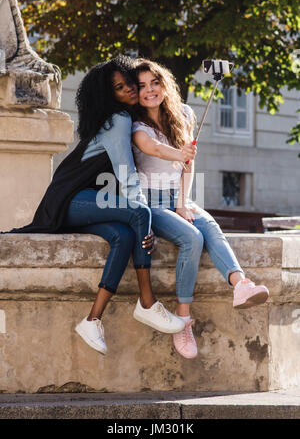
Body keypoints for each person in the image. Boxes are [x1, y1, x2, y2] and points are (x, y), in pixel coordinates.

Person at [1, 56, 188, 354]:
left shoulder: (123, 119)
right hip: (71, 198)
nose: (127, 89)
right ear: (107, 94)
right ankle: (148, 302)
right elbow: (126, 176)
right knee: (140, 213)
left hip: (88, 199)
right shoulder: (119, 120)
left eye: (128, 83)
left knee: (124, 236)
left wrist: (140, 225)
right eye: (118, 87)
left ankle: (91, 320)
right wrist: (145, 219)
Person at [131, 58, 269, 360]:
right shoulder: (136, 124)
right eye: (142, 86)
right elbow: (152, 148)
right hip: (151, 201)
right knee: (191, 238)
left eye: (154, 83)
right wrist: (180, 153)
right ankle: (183, 319)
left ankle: (240, 284)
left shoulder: (183, 115)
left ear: (164, 83)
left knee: (210, 228)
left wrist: (183, 202)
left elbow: (188, 166)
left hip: (179, 196)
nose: (150, 90)